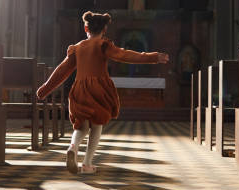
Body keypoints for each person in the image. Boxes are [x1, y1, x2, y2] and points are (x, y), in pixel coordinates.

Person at [36, 11, 169, 174]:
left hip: (79, 90)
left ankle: (73, 147)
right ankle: (87, 163)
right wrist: (153, 57)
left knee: (81, 126)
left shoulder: (76, 48)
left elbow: (62, 71)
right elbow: (125, 55)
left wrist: (45, 89)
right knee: (97, 125)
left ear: (86, 28)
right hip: (98, 89)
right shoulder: (103, 45)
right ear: (104, 29)